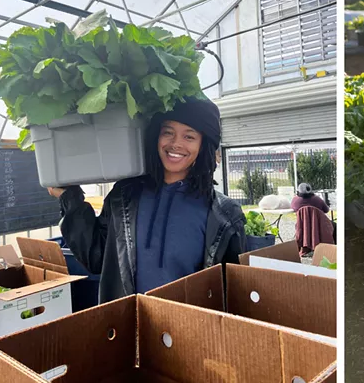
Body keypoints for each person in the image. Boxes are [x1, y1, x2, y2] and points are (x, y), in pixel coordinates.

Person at [47, 98, 246, 303]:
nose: (176, 143)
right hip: (125, 327)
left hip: (189, 330)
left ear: (204, 145)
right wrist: (69, 198)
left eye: (189, 136)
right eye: (168, 132)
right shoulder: (125, 195)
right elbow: (95, 257)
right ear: (156, 136)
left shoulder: (224, 214)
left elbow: (231, 292)